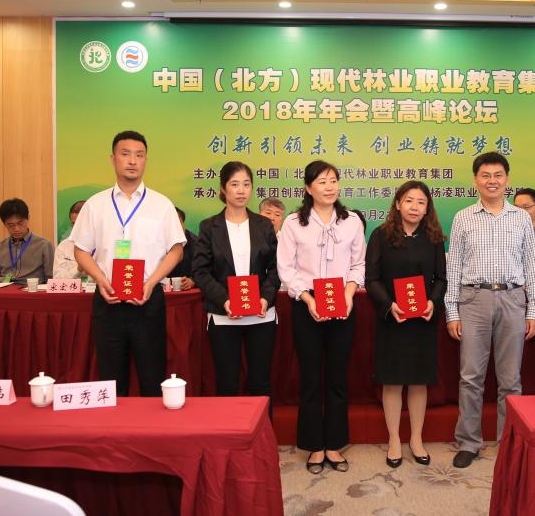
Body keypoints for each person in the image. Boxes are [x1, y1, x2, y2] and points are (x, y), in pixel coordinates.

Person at [445, 152, 535, 469]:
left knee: (510, 380)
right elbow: (453, 267)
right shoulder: (463, 218)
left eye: (498, 175)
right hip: (473, 299)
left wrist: (533, 310)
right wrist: (452, 312)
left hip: (513, 299)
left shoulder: (520, 219)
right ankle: (469, 442)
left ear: (507, 180)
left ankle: (507, 443)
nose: (492, 181)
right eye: (485, 175)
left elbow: (532, 265)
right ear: (475, 180)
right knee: (470, 377)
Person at [70, 130, 186, 396]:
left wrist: (151, 282)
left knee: (152, 377)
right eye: (125, 154)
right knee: (111, 380)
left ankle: (152, 424)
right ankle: (112, 424)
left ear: (146, 160)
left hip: (147, 300)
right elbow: (81, 250)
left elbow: (176, 250)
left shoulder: (161, 205)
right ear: (113, 159)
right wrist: (100, 279)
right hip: (108, 299)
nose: (132, 161)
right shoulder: (95, 205)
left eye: (139, 155)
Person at [276, 160, 365, 474]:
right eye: (322, 181)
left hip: (342, 301)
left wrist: (349, 294)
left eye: (333, 181)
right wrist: (307, 298)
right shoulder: (293, 223)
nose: (329, 187)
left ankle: (335, 444)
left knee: (338, 377)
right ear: (308, 188)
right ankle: (314, 445)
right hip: (307, 303)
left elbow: (358, 264)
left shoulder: (351, 221)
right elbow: (286, 268)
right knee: (311, 377)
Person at [366, 181, 447, 468]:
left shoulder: (434, 238)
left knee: (418, 381)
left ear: (427, 208)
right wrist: (389, 305)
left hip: (422, 320)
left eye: (421, 202)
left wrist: (433, 303)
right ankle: (393, 439)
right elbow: (371, 279)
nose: (415, 207)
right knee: (392, 380)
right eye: (409, 200)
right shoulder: (381, 235)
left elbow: (441, 279)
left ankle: (416, 438)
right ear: (398, 204)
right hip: (393, 318)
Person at [191, 161, 280, 412]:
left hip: (261, 315)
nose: (241, 190)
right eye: (234, 184)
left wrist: (265, 297)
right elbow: (200, 271)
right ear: (223, 189)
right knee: (227, 383)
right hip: (224, 317)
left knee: (260, 383)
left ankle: (262, 436)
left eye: (246, 184)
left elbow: (276, 268)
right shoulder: (209, 226)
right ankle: (228, 437)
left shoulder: (263, 225)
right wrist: (225, 300)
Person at [0, 198, 54, 283]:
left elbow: (51, 279)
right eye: (11, 225)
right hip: (4, 289)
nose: (16, 229)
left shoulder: (44, 245)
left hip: (32, 289)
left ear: (28, 218)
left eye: (20, 223)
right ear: (4, 224)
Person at [53, 200, 86, 279]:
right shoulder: (63, 246)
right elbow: (57, 278)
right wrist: (78, 269)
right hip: (73, 287)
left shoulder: (104, 244)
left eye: (79, 223)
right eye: (73, 223)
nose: (75, 227)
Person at [168, 207, 198, 290]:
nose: (175, 228)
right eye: (170, 225)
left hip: (189, 294)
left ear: (183, 223)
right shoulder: (156, 243)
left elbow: (207, 270)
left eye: (178, 223)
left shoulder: (197, 244)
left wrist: (193, 281)